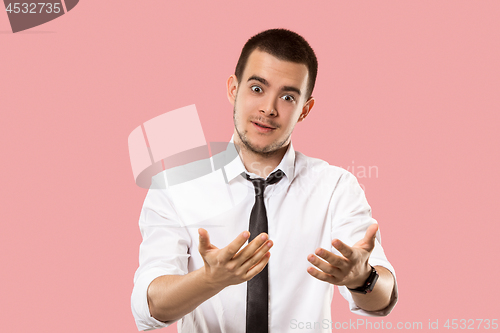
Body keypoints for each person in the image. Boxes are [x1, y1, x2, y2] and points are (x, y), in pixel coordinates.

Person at [131, 28, 398, 332]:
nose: (268, 109)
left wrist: (362, 279)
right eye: (257, 89)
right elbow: (149, 306)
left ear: (304, 110)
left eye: (287, 97)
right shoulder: (175, 187)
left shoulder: (336, 187)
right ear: (234, 89)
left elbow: (382, 297)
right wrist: (210, 280)